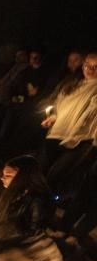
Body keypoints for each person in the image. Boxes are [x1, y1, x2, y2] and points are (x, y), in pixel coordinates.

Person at [40, 51, 97, 195]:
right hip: (56, 133)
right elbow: (57, 105)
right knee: (40, 173)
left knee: (55, 176)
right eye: (87, 65)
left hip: (81, 139)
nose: (90, 70)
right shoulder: (71, 84)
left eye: (96, 67)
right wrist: (52, 117)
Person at [0, 155, 55, 236]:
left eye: (8, 175)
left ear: (23, 176)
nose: (2, 178)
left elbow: (34, 232)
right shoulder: (15, 194)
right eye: (3, 175)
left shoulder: (38, 201)